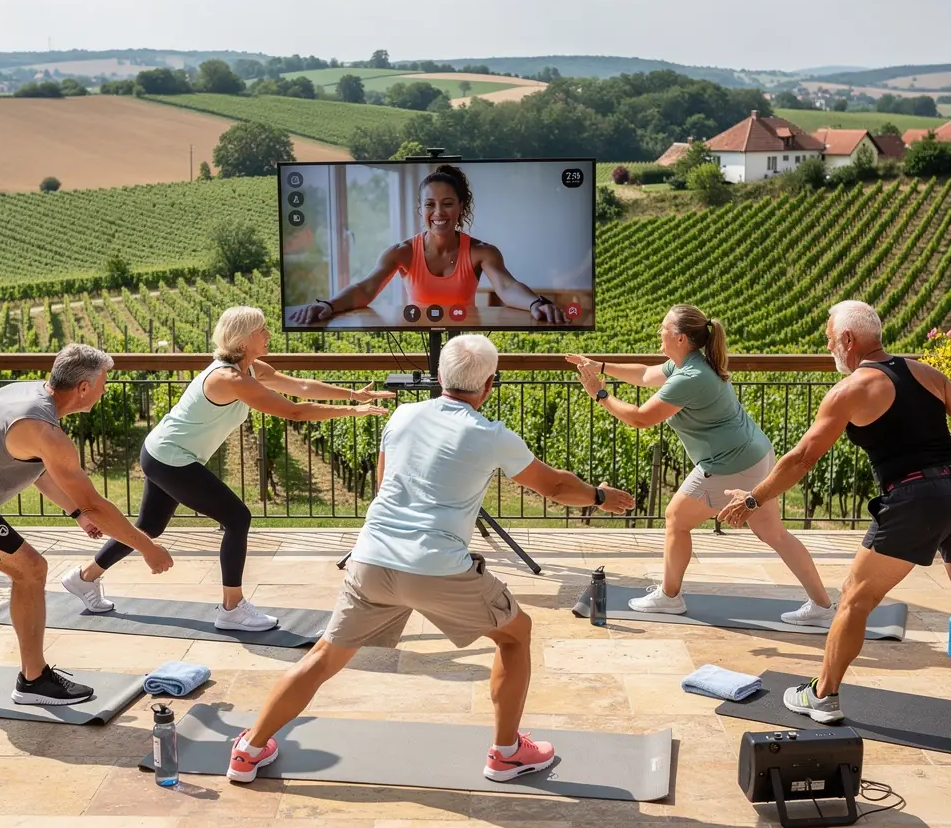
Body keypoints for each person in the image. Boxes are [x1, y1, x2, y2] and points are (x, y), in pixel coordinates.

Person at [226, 334, 635, 783]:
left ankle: (248, 749)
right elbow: (555, 487)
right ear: (490, 385)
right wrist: (598, 495)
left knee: (323, 657)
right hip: (437, 566)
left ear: (439, 377)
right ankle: (506, 753)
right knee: (516, 635)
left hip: (371, 560)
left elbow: (383, 485)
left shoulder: (401, 416)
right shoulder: (492, 435)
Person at [63, 306, 391, 631]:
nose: (268, 335)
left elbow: (300, 386)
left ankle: (84, 578)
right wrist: (354, 411)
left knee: (149, 527)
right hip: (171, 456)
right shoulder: (229, 378)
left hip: (163, 451)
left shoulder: (248, 368)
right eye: (262, 330)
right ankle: (232, 608)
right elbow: (295, 412)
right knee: (237, 517)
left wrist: (351, 393)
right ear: (245, 338)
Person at [720, 300, 951, 723]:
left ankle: (822, 696)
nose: (830, 351)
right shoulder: (927, 374)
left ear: (849, 339)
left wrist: (753, 499)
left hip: (913, 498)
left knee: (855, 599)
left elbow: (802, 458)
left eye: (830, 342)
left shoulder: (851, 390)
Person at [0, 344, 174, 705]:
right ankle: (33, 680)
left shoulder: (28, 397)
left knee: (27, 570)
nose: (106, 389)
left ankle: (33, 678)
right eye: (103, 382)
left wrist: (76, 513)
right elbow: (95, 502)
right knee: (30, 569)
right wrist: (146, 546)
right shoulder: (46, 431)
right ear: (84, 388)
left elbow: (36, 470)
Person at [567, 303, 835, 625]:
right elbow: (642, 374)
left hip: (731, 464)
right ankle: (822, 605)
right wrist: (602, 365)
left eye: (664, 328)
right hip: (758, 455)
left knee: (676, 518)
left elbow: (640, 419)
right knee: (774, 533)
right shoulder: (687, 365)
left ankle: (669, 597)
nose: (659, 333)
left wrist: (600, 394)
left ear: (680, 338)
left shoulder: (690, 377)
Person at [289, 163, 567, 325]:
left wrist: (535, 303)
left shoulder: (482, 251)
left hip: (465, 343)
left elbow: (507, 287)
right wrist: (328, 304)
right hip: (416, 340)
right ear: (420, 208)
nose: (438, 213)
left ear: (461, 207)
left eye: (447, 204)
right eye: (430, 204)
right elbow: (365, 288)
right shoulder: (402, 252)